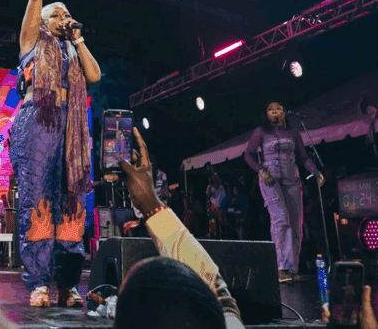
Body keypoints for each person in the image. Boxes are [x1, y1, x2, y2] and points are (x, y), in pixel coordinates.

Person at [10, 0, 101, 307]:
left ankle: (66, 284)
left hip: (70, 125)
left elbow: (95, 76)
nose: (65, 17)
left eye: (68, 14)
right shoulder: (33, 40)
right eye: (58, 14)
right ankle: (38, 283)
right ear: (46, 21)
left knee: (70, 201)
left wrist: (78, 38)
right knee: (37, 199)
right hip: (37, 121)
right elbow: (35, 1)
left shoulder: (71, 48)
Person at [119, 127, 244, 329]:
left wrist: (149, 204)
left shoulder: (164, 178)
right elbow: (220, 301)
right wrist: (150, 203)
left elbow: (221, 302)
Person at [242, 100, 324, 283]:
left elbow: (303, 156)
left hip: (292, 178)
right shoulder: (261, 131)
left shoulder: (293, 132)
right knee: (281, 220)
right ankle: (281, 267)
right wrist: (261, 171)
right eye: (270, 109)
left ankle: (292, 268)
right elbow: (249, 154)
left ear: (284, 113)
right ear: (266, 114)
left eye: (278, 109)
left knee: (296, 224)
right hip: (271, 178)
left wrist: (315, 170)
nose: (274, 112)